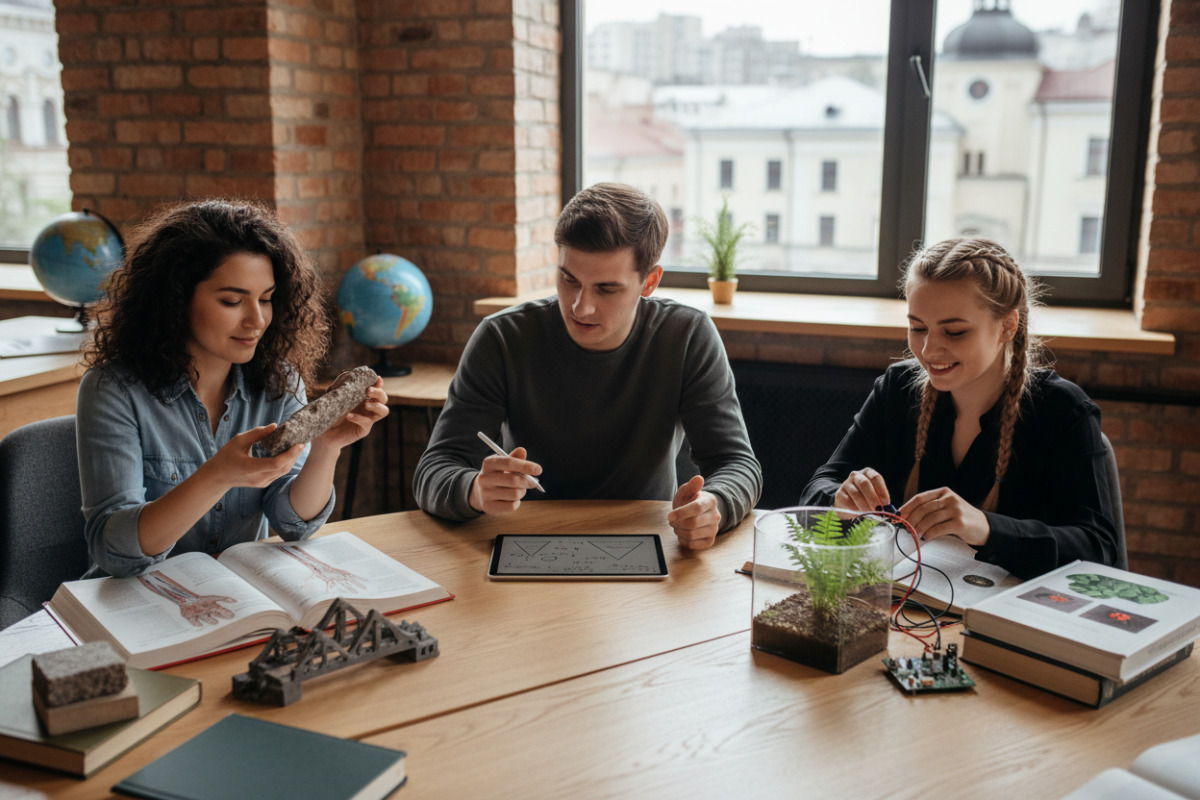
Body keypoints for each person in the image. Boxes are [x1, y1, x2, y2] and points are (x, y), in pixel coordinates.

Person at [413, 183, 762, 549]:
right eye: (569, 280)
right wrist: (473, 490)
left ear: (650, 281)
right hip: (527, 542)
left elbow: (737, 463)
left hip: (646, 541)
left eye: (606, 289)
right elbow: (434, 469)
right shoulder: (501, 337)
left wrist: (715, 505)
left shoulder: (687, 335)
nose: (581, 307)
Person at [77, 199, 389, 578]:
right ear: (176, 301)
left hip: (236, 600)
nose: (257, 320)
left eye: (267, 299)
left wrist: (326, 447)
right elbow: (114, 551)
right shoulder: (113, 390)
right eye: (231, 301)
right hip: (137, 606)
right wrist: (217, 476)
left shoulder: (279, 382)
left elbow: (294, 523)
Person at [799, 237, 1119, 579]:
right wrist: (840, 500)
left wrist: (984, 527)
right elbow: (815, 493)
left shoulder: (1062, 410)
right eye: (917, 327)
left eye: (954, 332)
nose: (929, 349)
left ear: (1008, 326)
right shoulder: (897, 391)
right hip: (908, 607)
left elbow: (1098, 550)